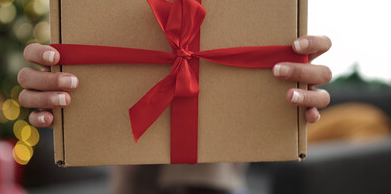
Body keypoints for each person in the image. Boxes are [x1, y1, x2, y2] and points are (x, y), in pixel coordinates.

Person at [17, 35, 331, 194]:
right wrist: (54, 86)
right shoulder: (95, 9)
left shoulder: (247, 6)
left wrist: (294, 91)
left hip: (224, 187)